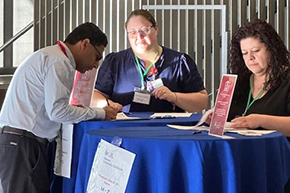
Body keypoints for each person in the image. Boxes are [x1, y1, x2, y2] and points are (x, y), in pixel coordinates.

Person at [0, 22, 118, 193]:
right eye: (97, 56)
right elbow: (57, 112)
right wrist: (100, 113)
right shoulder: (59, 62)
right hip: (23, 145)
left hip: (19, 142)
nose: (95, 65)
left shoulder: (51, 55)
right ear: (84, 44)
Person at [93, 9, 208, 113]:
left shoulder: (180, 62)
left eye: (144, 30)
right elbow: (95, 95)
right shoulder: (115, 62)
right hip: (124, 130)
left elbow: (202, 102)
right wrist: (106, 104)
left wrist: (174, 97)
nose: (139, 37)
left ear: (156, 29)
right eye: (132, 32)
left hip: (168, 130)